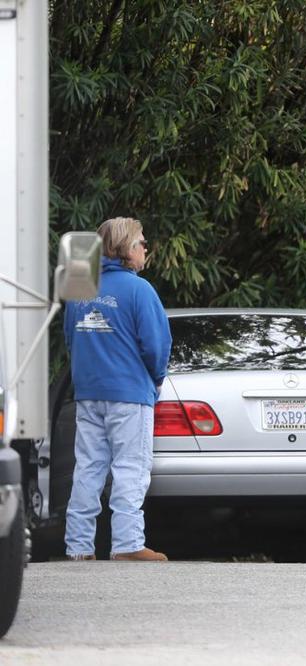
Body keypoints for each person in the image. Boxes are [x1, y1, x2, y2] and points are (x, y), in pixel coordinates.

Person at [63, 217, 172, 562]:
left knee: (88, 468)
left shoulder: (80, 287)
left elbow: (70, 338)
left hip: (88, 392)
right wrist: (155, 378)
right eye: (141, 243)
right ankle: (127, 544)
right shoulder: (140, 290)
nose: (145, 249)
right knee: (130, 468)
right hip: (129, 393)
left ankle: (78, 547)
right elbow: (157, 345)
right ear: (127, 249)